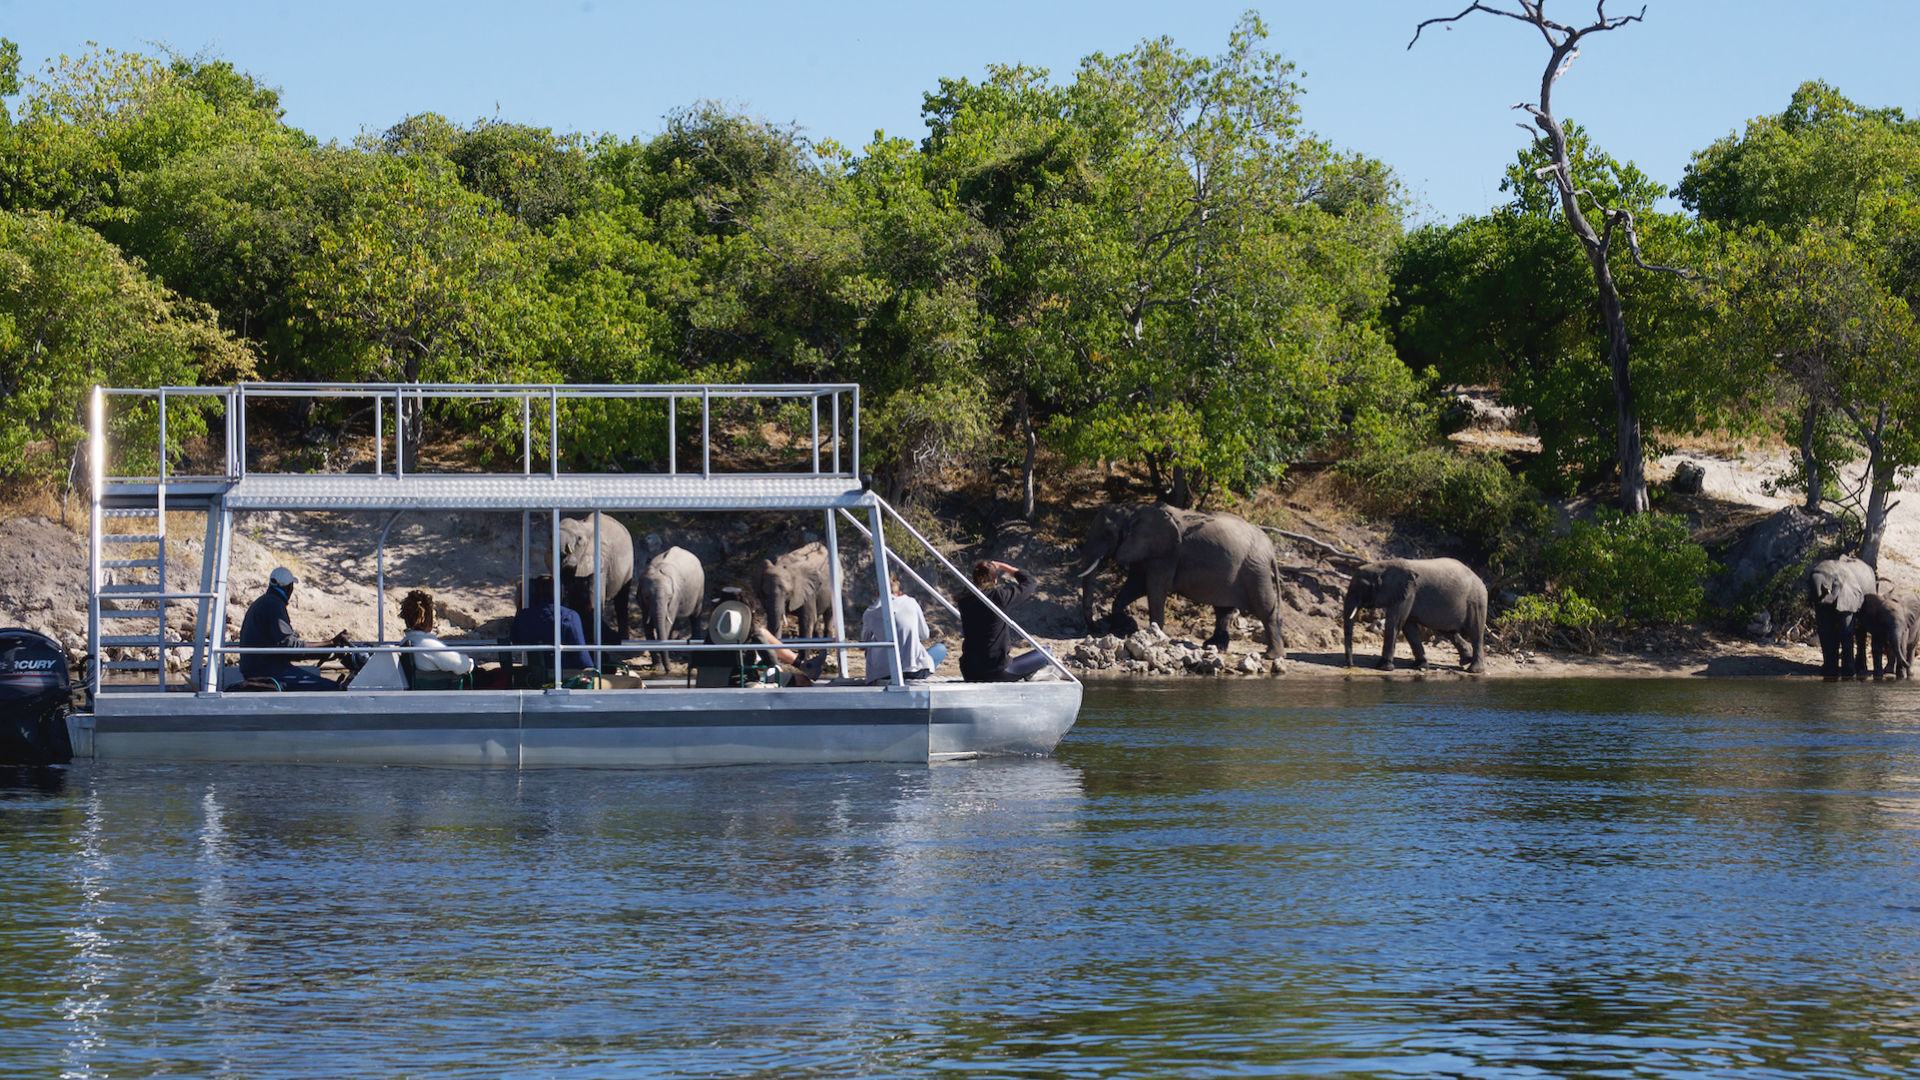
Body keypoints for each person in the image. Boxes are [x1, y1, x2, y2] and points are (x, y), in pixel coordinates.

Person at [237, 567, 348, 690]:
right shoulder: (274, 605)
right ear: (289, 588)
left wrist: (325, 648)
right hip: (270, 671)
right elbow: (290, 648)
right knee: (333, 688)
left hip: (258, 668)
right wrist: (330, 644)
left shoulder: (263, 602)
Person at [957, 559, 1049, 683]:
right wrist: (1005, 567)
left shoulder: (964, 600)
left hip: (969, 671)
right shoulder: (999, 597)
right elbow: (1030, 582)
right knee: (1046, 654)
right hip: (996, 671)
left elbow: (971, 590)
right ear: (995, 580)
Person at [861, 575, 946, 682]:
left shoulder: (870, 612)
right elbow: (924, 635)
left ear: (878, 594)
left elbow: (864, 642)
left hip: (883, 674)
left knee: (872, 645)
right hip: (913, 671)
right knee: (941, 649)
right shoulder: (911, 602)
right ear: (899, 593)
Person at [511, 575, 592, 672]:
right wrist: (593, 670)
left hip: (534, 677)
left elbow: (515, 640)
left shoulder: (523, 617)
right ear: (559, 592)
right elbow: (582, 658)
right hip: (566, 678)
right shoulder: (569, 616)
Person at [399, 589, 473, 682]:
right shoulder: (428, 645)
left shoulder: (406, 643)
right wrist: (470, 662)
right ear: (429, 620)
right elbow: (461, 665)